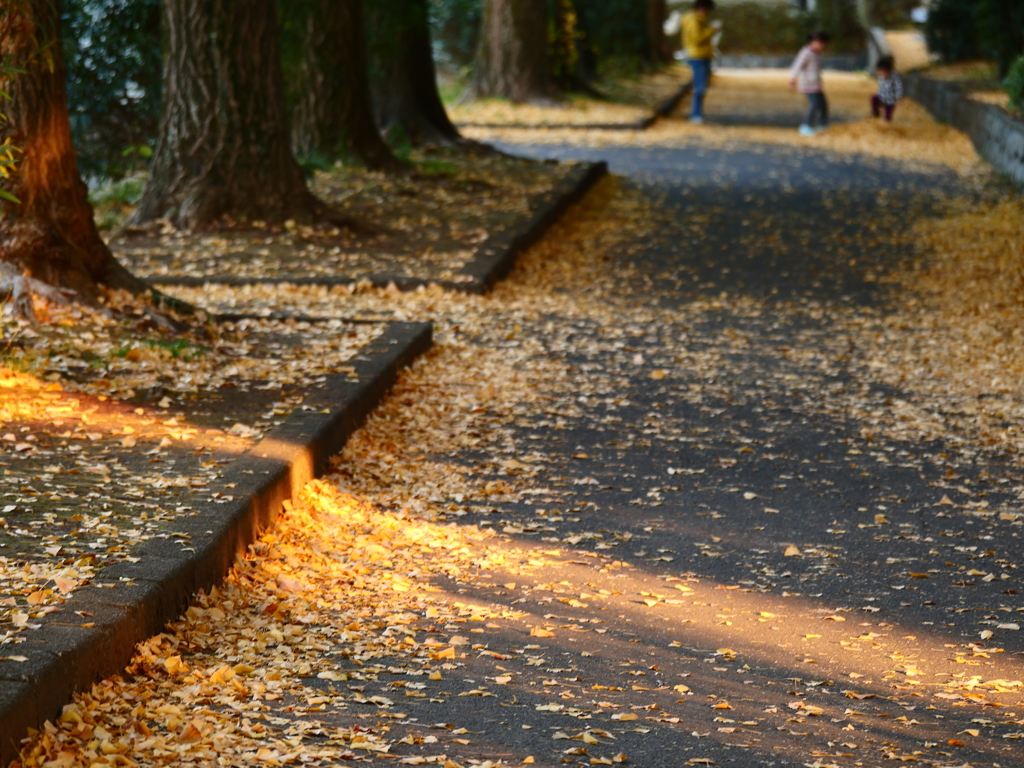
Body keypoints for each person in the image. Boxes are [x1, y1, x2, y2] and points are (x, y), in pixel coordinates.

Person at [682, 0, 721, 124]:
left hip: (702, 55)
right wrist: (711, 30)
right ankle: (695, 114)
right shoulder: (693, 20)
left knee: (701, 86)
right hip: (697, 56)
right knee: (700, 86)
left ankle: (697, 113)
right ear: (702, 8)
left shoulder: (697, 20)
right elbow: (697, 39)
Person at [789, 31, 831, 136]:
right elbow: (797, 65)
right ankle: (806, 126)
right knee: (815, 104)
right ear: (812, 42)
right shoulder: (806, 53)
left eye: (823, 45)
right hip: (808, 85)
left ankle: (823, 125)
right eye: (820, 44)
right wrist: (793, 78)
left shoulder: (815, 53)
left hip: (816, 85)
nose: (822, 46)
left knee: (823, 105)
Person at [871, 55, 903, 122]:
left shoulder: (894, 77)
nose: (882, 73)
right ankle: (875, 113)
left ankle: (887, 121)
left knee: (887, 118)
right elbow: (880, 88)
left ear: (889, 71)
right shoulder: (880, 77)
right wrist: (878, 94)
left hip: (890, 101)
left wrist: (898, 97)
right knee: (874, 98)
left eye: (884, 71)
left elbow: (898, 87)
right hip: (882, 98)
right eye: (880, 71)